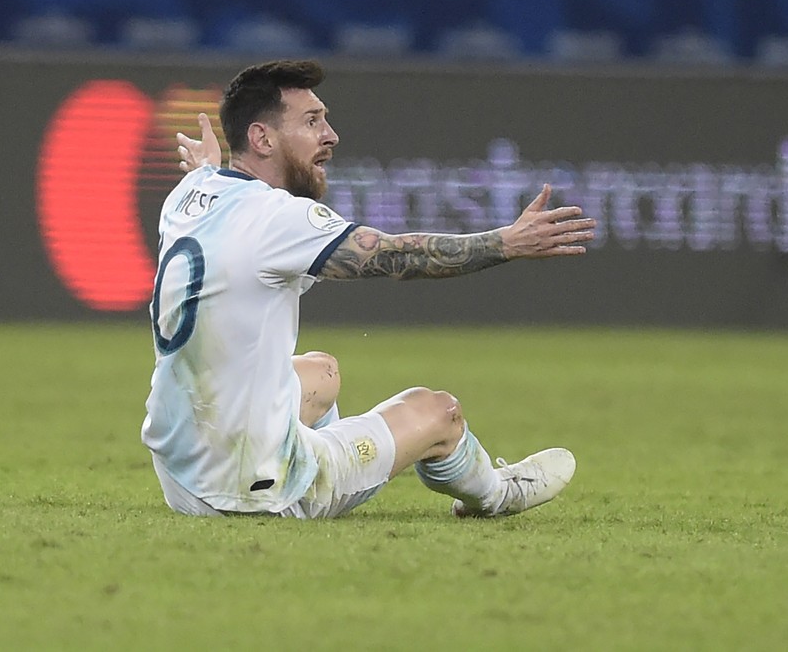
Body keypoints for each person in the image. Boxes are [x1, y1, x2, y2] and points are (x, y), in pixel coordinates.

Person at [142, 59, 597, 519]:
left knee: (322, 372)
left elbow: (213, 185)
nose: (331, 135)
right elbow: (398, 256)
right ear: (262, 139)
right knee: (440, 412)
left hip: (182, 474)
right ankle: (497, 493)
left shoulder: (191, 191)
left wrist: (209, 169)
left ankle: (320, 451)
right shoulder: (277, 217)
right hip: (253, 491)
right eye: (312, 121)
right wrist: (506, 243)